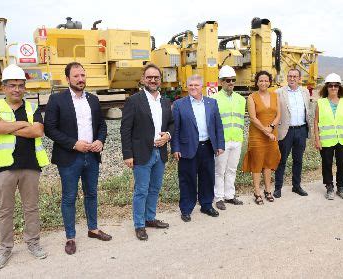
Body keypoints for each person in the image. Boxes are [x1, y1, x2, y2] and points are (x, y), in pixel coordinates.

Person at [0, 64, 49, 269]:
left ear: (25, 87)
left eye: (20, 85)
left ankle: (33, 243)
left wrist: (8, 127)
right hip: (3, 168)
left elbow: (38, 131)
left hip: (30, 165)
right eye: (12, 85)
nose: (17, 89)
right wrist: (23, 126)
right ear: (3, 87)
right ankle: (4, 249)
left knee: (31, 208)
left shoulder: (32, 107)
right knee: (5, 210)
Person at [44, 62, 111, 255]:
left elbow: (102, 125)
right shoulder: (57, 100)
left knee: (91, 194)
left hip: (92, 156)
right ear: (67, 79)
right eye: (76, 76)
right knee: (69, 197)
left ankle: (93, 229)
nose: (80, 79)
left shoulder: (93, 99)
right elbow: (50, 129)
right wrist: (74, 144)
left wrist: (100, 140)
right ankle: (70, 237)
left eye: (83, 75)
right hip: (69, 157)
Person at [121, 64, 174, 241]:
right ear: (143, 79)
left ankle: (150, 218)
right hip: (141, 153)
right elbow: (125, 129)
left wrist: (168, 135)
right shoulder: (134, 101)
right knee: (141, 190)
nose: (153, 80)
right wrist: (127, 154)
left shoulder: (165, 101)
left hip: (160, 153)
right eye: (149, 77)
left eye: (156, 77)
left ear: (160, 80)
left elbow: (171, 124)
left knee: (155, 188)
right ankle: (139, 224)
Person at [172, 74, 225, 222]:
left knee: (207, 178)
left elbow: (218, 126)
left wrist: (220, 144)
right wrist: (175, 148)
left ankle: (206, 205)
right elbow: (175, 129)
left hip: (207, 146)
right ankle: (186, 208)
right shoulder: (179, 105)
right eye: (190, 85)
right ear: (186, 87)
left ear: (202, 87)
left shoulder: (211, 103)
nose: (193, 88)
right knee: (187, 179)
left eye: (196, 85)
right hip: (187, 148)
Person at [314, 73, 343, 200]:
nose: (333, 88)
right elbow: (315, 122)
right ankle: (329, 187)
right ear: (326, 87)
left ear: (339, 88)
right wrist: (317, 139)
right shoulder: (320, 103)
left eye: (336, 86)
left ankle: (341, 188)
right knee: (327, 164)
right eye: (330, 86)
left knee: (342, 164)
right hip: (326, 140)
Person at [242, 71, 281, 204]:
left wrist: (271, 128)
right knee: (257, 163)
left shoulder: (275, 96)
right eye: (261, 81)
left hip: (272, 134)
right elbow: (253, 118)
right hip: (257, 135)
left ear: (269, 82)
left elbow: (278, 116)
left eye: (266, 80)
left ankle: (268, 190)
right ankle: (257, 192)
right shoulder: (252, 97)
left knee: (269, 163)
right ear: (257, 82)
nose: (263, 83)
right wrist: (266, 132)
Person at [211, 66, 245, 210]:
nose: (230, 82)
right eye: (227, 80)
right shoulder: (214, 99)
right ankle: (218, 197)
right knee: (219, 171)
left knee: (232, 169)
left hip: (236, 140)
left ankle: (229, 195)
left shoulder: (241, 99)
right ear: (221, 82)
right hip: (222, 142)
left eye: (232, 80)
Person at [274, 69, 311, 198]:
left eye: (295, 76)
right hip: (286, 131)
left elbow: (308, 110)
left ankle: (297, 186)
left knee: (298, 160)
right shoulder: (279, 92)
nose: (292, 78)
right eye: (290, 76)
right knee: (281, 160)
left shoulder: (305, 92)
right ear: (287, 78)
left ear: (299, 78)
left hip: (301, 130)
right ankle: (278, 188)